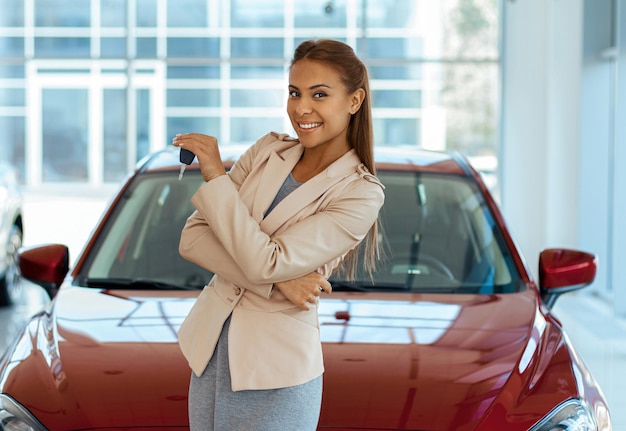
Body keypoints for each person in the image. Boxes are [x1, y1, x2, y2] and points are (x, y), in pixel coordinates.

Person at [173, 39, 385, 431]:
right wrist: (278, 285)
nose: (301, 109)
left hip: (276, 374)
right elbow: (193, 237)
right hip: (211, 357)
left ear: (355, 101)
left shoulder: (361, 193)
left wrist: (217, 176)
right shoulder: (267, 151)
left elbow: (266, 261)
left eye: (319, 94)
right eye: (294, 93)